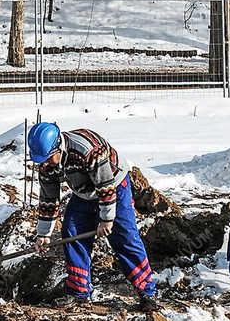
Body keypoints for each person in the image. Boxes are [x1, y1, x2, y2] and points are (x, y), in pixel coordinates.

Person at [27, 121, 158, 308]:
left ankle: (147, 291)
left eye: (47, 158)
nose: (45, 164)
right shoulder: (47, 164)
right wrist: (43, 234)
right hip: (84, 192)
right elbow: (48, 200)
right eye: (41, 160)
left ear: (58, 147)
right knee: (72, 232)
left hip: (114, 185)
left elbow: (106, 186)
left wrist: (106, 219)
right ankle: (78, 292)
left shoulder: (87, 150)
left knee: (124, 237)